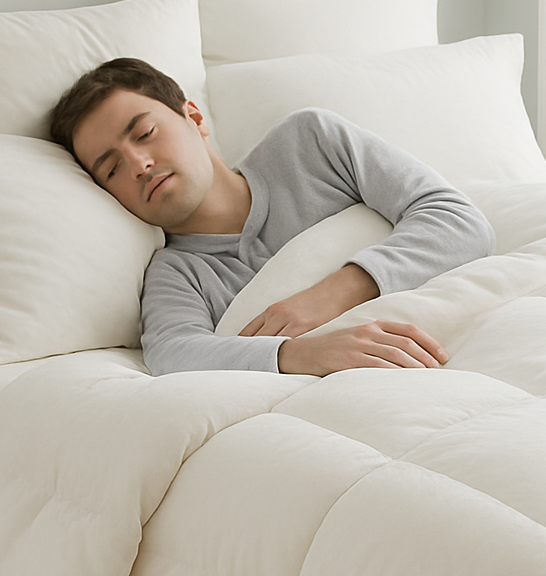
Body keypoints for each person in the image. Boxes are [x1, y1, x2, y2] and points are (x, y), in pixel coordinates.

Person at [49, 57, 495, 377]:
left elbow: (458, 221)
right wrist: (299, 354)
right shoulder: (178, 274)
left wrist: (336, 292)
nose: (139, 165)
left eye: (145, 133)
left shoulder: (309, 145)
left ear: (194, 117)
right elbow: (171, 354)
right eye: (111, 169)